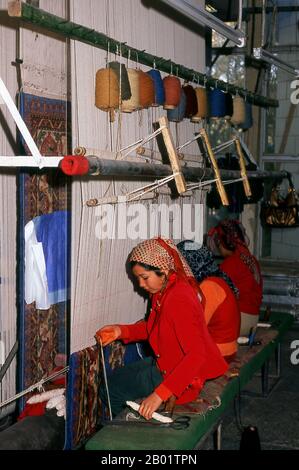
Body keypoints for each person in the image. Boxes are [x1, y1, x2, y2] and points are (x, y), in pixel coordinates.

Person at [95, 237, 228, 420]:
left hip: (181, 379)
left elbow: (197, 355)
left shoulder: (178, 299)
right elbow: (154, 328)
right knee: (112, 381)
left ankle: (134, 432)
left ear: (163, 271)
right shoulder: (163, 291)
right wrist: (120, 331)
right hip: (166, 363)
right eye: (138, 278)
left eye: (144, 278)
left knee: (110, 391)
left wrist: (159, 395)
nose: (140, 284)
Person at [177, 241, 240, 361]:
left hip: (218, 354)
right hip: (225, 349)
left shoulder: (209, 287)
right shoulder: (218, 277)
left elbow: (195, 328)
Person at [207, 219, 263, 336]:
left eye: (218, 245)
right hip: (253, 320)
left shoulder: (231, 263)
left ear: (223, 242)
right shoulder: (251, 259)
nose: (219, 250)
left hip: (240, 321)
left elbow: (213, 294)